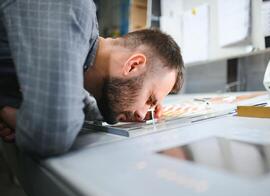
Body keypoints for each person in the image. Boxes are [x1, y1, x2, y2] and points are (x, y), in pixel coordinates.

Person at [0, 0, 184, 157]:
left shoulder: (82, 59)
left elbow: (85, 105)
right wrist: (6, 112)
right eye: (149, 99)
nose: (143, 114)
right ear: (133, 65)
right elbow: (52, 134)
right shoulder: (73, 8)